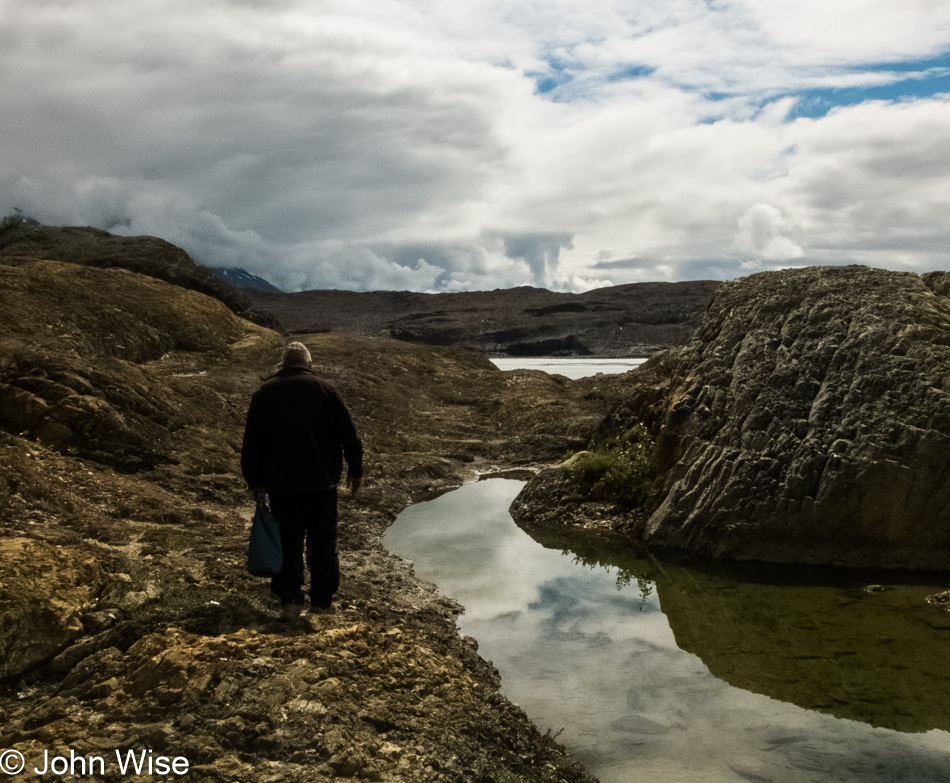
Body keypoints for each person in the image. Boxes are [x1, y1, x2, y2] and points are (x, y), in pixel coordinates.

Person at [241, 341, 363, 621]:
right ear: (309, 363)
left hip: (282, 487)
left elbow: (252, 444)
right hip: (322, 484)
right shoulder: (325, 390)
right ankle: (321, 601)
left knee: (288, 542)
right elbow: (349, 436)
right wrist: (355, 472)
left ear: (283, 364)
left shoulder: (264, 393)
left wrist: (255, 482)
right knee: (323, 542)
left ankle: (291, 601)